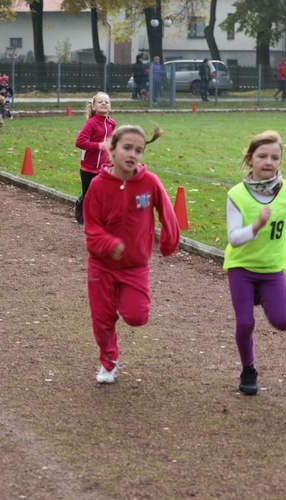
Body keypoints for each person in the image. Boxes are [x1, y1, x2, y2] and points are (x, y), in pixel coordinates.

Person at [82, 124, 180, 384]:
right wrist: (107, 243)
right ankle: (109, 361)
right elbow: (91, 228)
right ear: (112, 150)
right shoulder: (98, 186)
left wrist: (170, 240)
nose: (133, 154)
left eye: (139, 150)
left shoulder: (149, 182)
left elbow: (167, 213)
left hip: (135, 266)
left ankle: (121, 303)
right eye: (127, 148)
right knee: (102, 318)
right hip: (101, 266)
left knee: (136, 316)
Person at [224, 130, 286, 395]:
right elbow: (235, 238)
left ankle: (260, 295)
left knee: (283, 322)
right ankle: (248, 369)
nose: (268, 162)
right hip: (242, 267)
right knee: (246, 322)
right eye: (262, 156)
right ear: (250, 159)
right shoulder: (236, 195)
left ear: (281, 161)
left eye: (275, 157)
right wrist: (257, 225)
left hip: (272, 269)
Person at [74, 91, 116, 225]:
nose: (104, 103)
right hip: (89, 167)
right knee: (88, 195)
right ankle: (80, 204)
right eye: (100, 102)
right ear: (93, 107)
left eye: (106, 102)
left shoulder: (112, 123)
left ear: (110, 107)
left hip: (104, 167)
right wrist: (99, 146)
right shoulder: (91, 123)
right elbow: (79, 142)